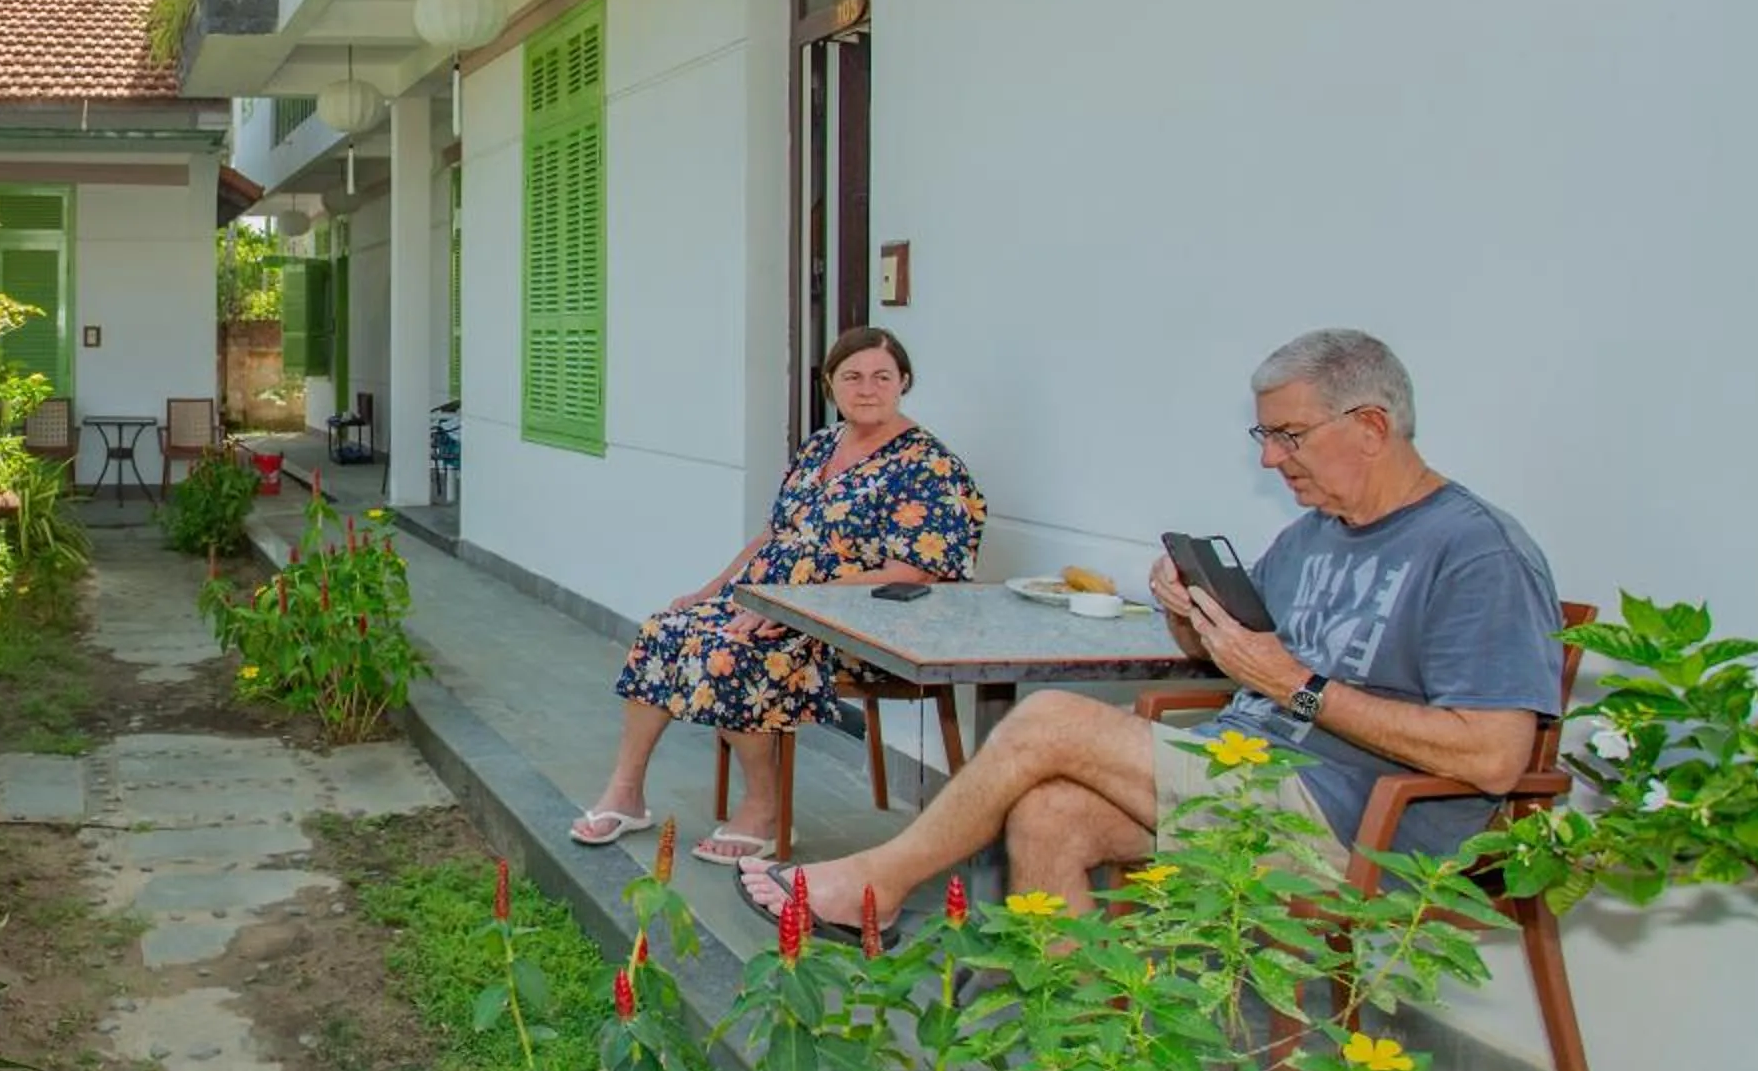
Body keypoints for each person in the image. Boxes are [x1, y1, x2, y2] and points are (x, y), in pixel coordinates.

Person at [737, 328, 1563, 929]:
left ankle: (880, 881)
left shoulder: (1475, 552)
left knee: (1053, 717)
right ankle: (1071, 1068)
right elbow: (1243, 655)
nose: (1272, 460)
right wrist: (1189, 615)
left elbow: (1491, 756)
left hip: (1362, 826)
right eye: (1264, 436)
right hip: (1244, 773)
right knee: (1049, 813)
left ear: (1373, 427)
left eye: (1290, 435)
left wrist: (1296, 687)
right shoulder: (1315, 534)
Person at [571, 327, 986, 865]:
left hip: (855, 621)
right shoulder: (821, 445)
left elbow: (914, 572)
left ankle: (764, 812)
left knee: (732, 653)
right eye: (852, 376)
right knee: (664, 631)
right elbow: (773, 535)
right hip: (773, 601)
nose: (867, 388)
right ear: (830, 383)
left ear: (903, 382)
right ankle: (626, 793)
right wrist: (711, 590)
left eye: (882, 377)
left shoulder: (928, 465)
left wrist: (793, 608)